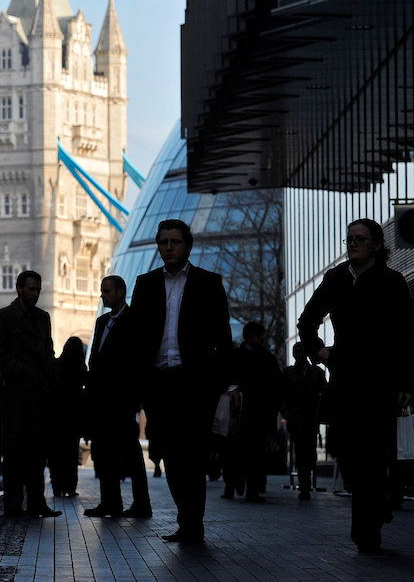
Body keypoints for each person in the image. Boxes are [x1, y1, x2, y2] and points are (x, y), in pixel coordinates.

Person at [297, 218, 414, 553]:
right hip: (345, 376)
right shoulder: (336, 278)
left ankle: (367, 532)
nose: (352, 244)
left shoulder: (393, 282)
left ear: (377, 245)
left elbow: (407, 333)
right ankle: (377, 505)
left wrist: (407, 381)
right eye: (349, 238)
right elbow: (308, 318)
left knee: (374, 455)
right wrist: (316, 349)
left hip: (380, 380)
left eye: (360, 239)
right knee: (344, 450)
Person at [131, 220, 234, 544]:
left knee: (193, 456)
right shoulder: (145, 284)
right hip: (158, 383)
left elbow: (222, 335)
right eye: (163, 242)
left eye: (175, 241)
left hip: (195, 383)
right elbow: (136, 338)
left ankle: (191, 523)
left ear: (187, 245)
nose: (169, 247)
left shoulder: (208, 282)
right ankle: (187, 518)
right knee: (169, 454)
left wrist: (223, 384)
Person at [0, 270, 61, 518]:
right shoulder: (4, 317)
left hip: (39, 395)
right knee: (14, 452)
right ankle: (13, 505)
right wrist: (23, 370)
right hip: (15, 396)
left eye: (38, 290)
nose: (35, 294)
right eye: (31, 289)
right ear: (19, 288)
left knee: (38, 451)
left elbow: (48, 351)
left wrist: (51, 377)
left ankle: (37, 503)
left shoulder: (43, 318)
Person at [84, 276, 152, 518]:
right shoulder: (102, 322)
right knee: (104, 453)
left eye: (107, 291)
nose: (102, 295)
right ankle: (109, 502)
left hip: (121, 400)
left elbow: (136, 361)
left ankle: (141, 503)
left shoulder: (134, 320)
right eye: (102, 291)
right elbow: (96, 357)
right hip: (101, 400)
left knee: (131, 453)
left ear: (121, 292)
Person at [224, 322, 283, 502]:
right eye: (258, 335)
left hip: (251, 412)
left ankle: (246, 486)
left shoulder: (246, 356)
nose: (261, 339)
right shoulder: (260, 357)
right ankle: (243, 485)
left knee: (248, 451)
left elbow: (276, 385)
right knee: (247, 451)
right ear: (252, 336)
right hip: (247, 412)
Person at [282, 342, 327, 500]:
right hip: (296, 420)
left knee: (309, 453)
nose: (299, 353)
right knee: (302, 453)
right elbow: (283, 397)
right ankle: (305, 486)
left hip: (311, 419)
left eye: (302, 350)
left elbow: (325, 395)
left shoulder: (317, 372)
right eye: (297, 351)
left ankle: (306, 484)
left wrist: (320, 416)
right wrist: (287, 415)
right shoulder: (288, 373)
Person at [50, 336, 87, 498]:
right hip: (74, 418)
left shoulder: (57, 365)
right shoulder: (81, 368)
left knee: (57, 454)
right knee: (72, 455)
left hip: (57, 417)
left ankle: (57, 487)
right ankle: (70, 487)